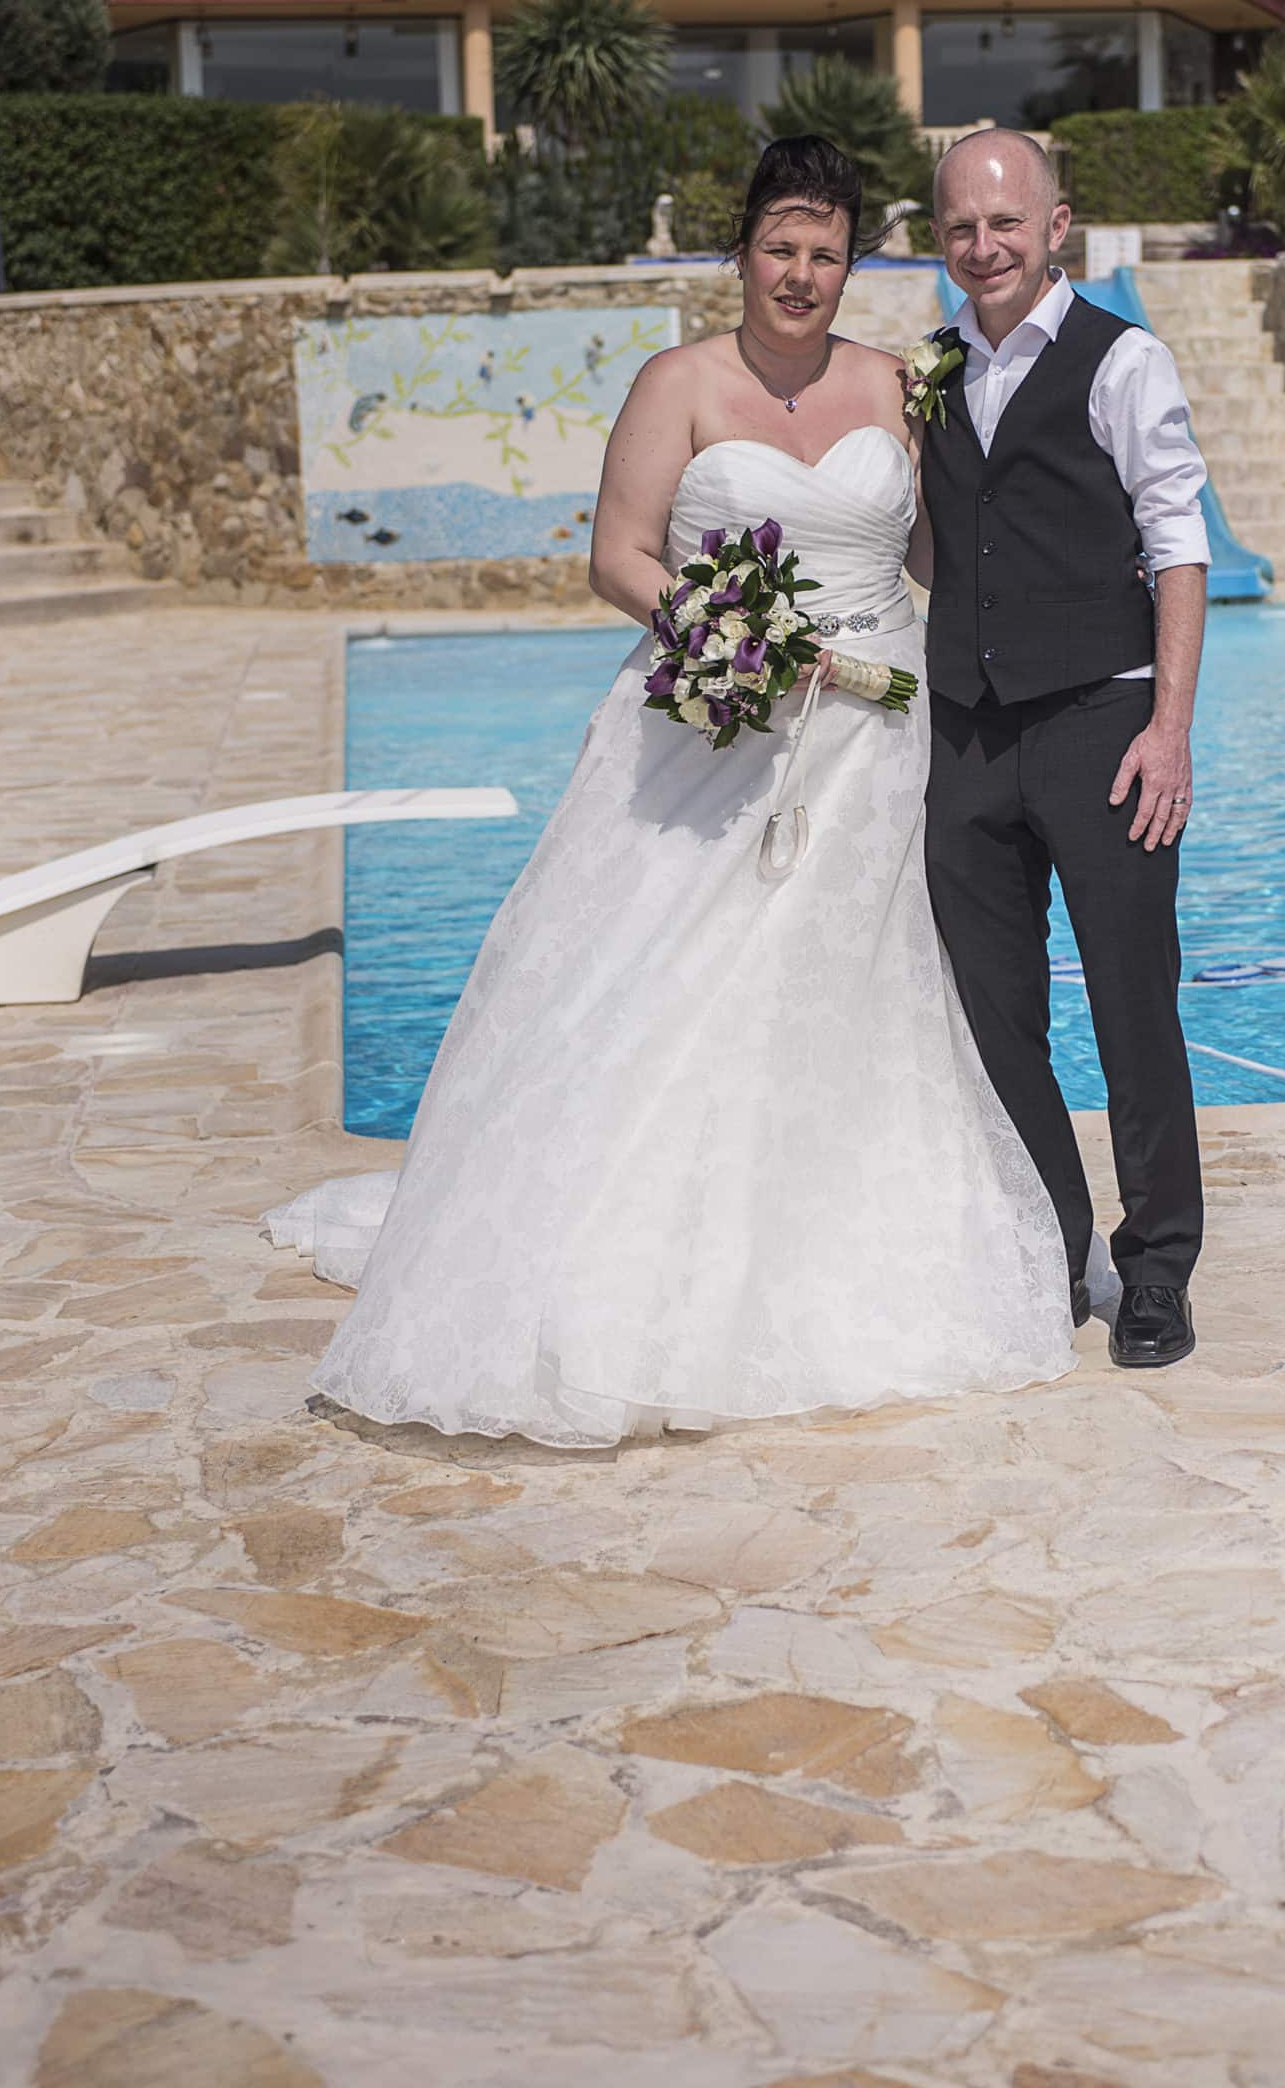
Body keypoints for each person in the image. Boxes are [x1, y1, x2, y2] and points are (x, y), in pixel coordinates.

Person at [263, 135, 1076, 1448]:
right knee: (663, 982)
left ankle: (835, 1248)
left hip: (877, 743)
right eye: (778, 249)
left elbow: (939, 548)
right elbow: (616, 557)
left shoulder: (896, 382)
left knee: (850, 989)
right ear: (740, 250)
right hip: (717, 729)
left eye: (825, 254)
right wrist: (734, 631)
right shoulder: (677, 383)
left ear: (849, 260)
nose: (800, 276)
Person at [917, 130, 1208, 1370]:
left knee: (1132, 1006)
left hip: (1103, 719)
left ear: (1056, 227)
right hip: (968, 732)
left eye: (1005, 224)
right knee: (995, 1021)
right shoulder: (926, 370)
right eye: (959, 228)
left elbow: (1177, 543)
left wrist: (1168, 731)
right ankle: (1051, 1243)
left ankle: (1156, 1271)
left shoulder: (1120, 360)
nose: (983, 247)